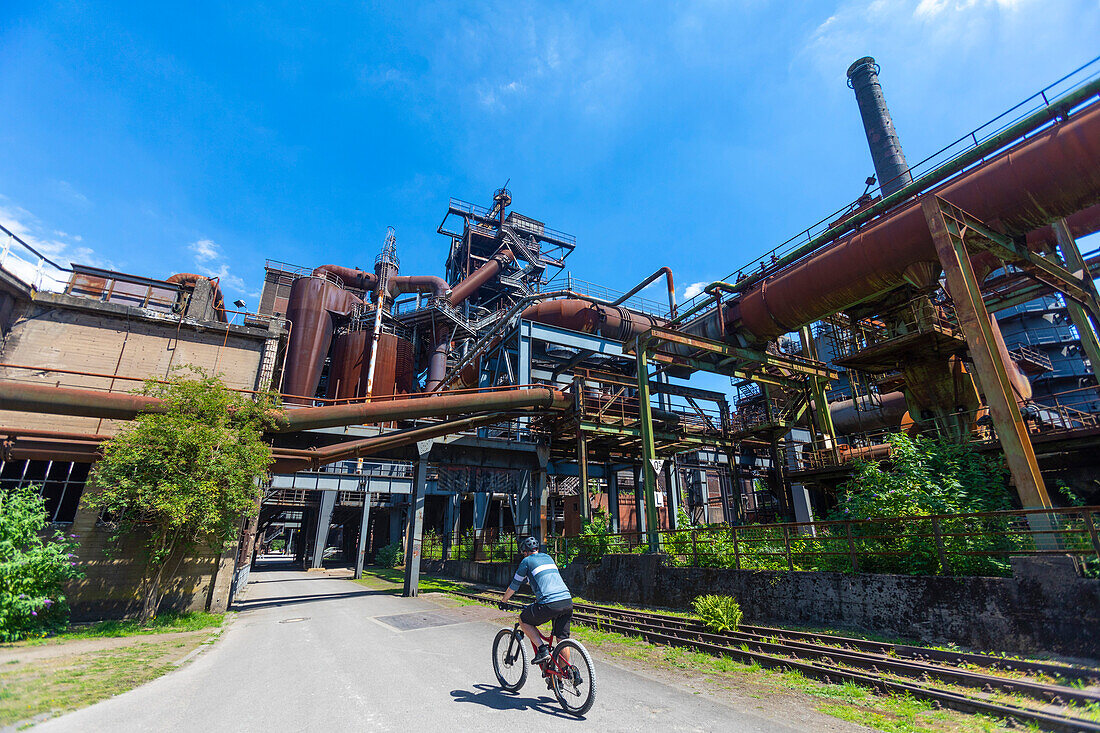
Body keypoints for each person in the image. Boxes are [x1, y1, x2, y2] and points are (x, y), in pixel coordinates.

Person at [500, 536, 573, 667]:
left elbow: (514, 585)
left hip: (549, 604)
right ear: (537, 549)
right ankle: (563, 678)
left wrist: (504, 600)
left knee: (523, 619)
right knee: (562, 640)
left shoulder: (526, 561)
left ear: (525, 552)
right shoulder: (548, 557)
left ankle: (542, 649)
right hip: (567, 600)